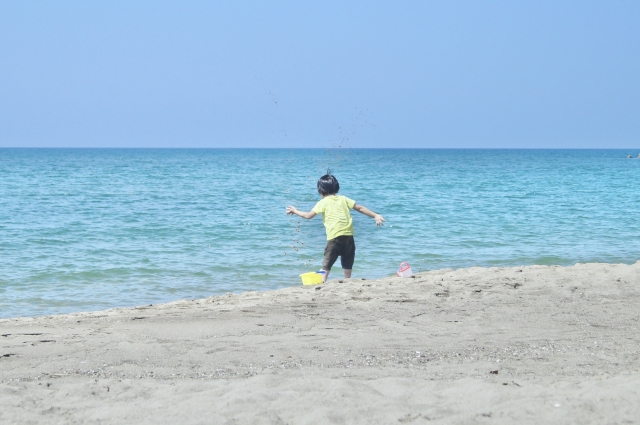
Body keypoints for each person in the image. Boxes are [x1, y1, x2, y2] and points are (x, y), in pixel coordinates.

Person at [286, 173, 384, 282]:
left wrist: (295, 211)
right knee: (348, 262)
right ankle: (348, 280)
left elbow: (308, 216)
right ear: (336, 187)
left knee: (326, 264)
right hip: (348, 236)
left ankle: (322, 281)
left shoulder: (322, 202)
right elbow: (360, 208)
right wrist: (375, 215)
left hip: (334, 238)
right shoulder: (343, 199)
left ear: (320, 190)